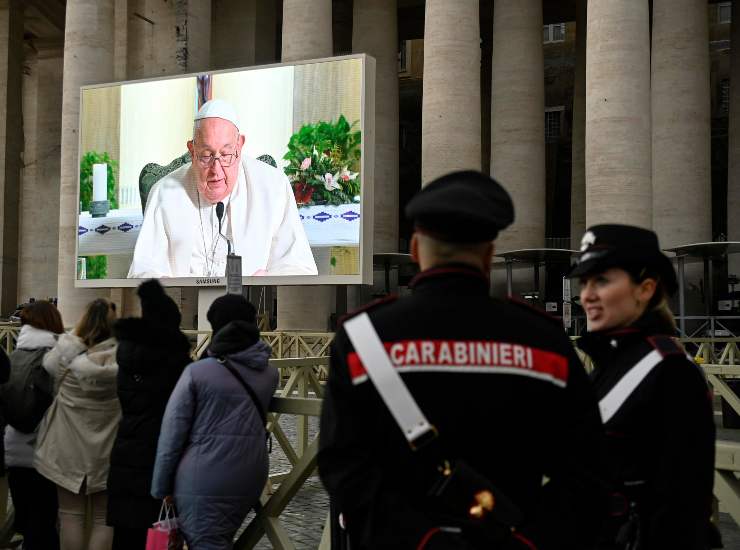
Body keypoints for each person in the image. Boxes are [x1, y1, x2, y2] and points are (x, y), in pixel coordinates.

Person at [318, 170, 607, 549]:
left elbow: (342, 467)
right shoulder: (544, 341)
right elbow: (587, 474)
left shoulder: (363, 338)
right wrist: (526, 539)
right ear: (488, 256)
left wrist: (421, 539)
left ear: (417, 249)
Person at [570, 224, 718, 549]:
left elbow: (684, 507)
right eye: (584, 283)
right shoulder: (608, 366)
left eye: (602, 281)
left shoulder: (672, 372)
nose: (586, 296)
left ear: (645, 289)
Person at [127, 98, 318, 278]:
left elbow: (298, 267)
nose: (216, 171)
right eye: (206, 155)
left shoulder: (273, 186)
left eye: (226, 154)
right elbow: (144, 272)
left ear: (240, 145)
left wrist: (263, 284)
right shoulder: (164, 193)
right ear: (192, 151)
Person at [152, 294, 279, 549]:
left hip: (205, 476)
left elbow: (172, 434)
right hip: (251, 473)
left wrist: (161, 487)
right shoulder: (270, 373)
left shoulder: (198, 372)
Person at [106, 280, 191, 549]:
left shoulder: (127, 357)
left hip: (126, 451)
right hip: (159, 454)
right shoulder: (174, 361)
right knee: (155, 534)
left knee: (126, 534)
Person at [34, 298, 120, 550]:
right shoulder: (120, 362)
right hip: (107, 448)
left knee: (70, 515)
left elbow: (48, 369)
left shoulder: (63, 357)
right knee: (104, 518)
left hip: (66, 445)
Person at [3, 301, 63, 550]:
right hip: (47, 451)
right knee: (45, 523)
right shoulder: (57, 355)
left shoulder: (13, 356)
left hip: (14, 448)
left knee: (26, 521)